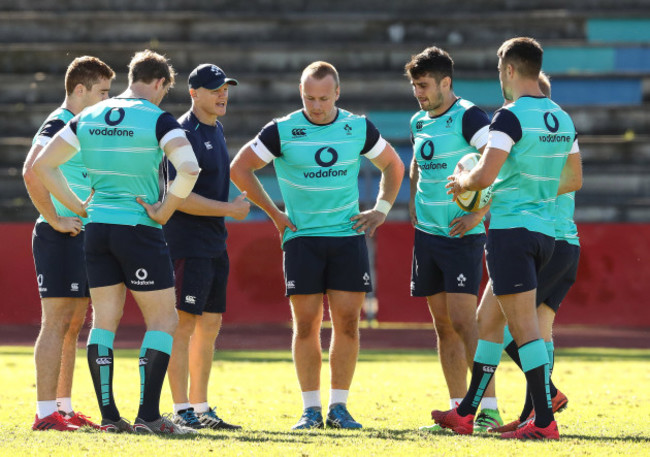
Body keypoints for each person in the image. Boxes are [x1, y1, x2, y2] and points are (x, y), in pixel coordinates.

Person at [33, 49, 201, 435]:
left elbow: (44, 164)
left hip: (97, 230)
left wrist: (76, 206)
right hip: (140, 228)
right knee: (163, 319)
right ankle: (149, 416)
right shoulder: (159, 119)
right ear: (159, 83)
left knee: (103, 321)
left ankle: (110, 417)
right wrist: (164, 209)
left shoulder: (86, 116)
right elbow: (190, 167)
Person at [230, 61, 404, 430]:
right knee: (306, 325)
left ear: (337, 93)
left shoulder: (357, 127)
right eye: (309, 97)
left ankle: (339, 408)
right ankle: (310, 410)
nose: (317, 106)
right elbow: (239, 168)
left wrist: (382, 209)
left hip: (346, 238)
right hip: (302, 240)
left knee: (348, 324)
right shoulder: (282, 130)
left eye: (324, 98)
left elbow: (394, 165)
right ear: (300, 93)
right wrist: (275, 214)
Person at [434, 37, 582, 440]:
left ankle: (545, 420)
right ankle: (468, 413)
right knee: (491, 323)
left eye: (501, 72)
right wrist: (531, 187)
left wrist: (462, 180)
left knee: (525, 330)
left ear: (510, 71)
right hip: (545, 234)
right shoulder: (562, 118)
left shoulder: (509, 117)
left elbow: (483, 175)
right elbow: (575, 179)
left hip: (512, 232)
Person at [403, 46, 502, 433]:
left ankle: (488, 408)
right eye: (415, 86)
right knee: (443, 325)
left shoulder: (469, 116)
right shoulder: (418, 121)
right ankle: (457, 411)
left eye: (424, 86)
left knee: (465, 321)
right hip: (427, 235)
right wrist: (411, 200)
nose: (419, 93)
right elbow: (416, 162)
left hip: (462, 234)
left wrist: (479, 214)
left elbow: (497, 161)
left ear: (446, 82)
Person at [23, 56, 115, 432]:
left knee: (74, 323)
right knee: (57, 321)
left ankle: (63, 407)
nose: (108, 100)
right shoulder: (58, 123)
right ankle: (45, 414)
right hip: (57, 234)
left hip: (78, 233)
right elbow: (32, 169)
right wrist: (55, 217)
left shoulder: (80, 127)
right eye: (103, 92)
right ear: (80, 89)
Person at [164, 64, 250, 430]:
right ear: (193, 93)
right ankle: (181, 408)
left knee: (210, 325)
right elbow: (178, 198)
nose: (222, 94)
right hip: (187, 243)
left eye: (225, 88)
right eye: (214, 89)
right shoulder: (182, 133)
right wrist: (230, 209)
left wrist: (225, 214)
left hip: (214, 243)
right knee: (183, 325)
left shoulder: (217, 128)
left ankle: (201, 407)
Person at [490, 72, 575, 433]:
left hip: (538, 236)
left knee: (508, 326)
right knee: (538, 329)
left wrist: (479, 187)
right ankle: (535, 412)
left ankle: (544, 402)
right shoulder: (559, 128)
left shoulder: (523, 132)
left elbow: (492, 178)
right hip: (563, 241)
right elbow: (574, 180)